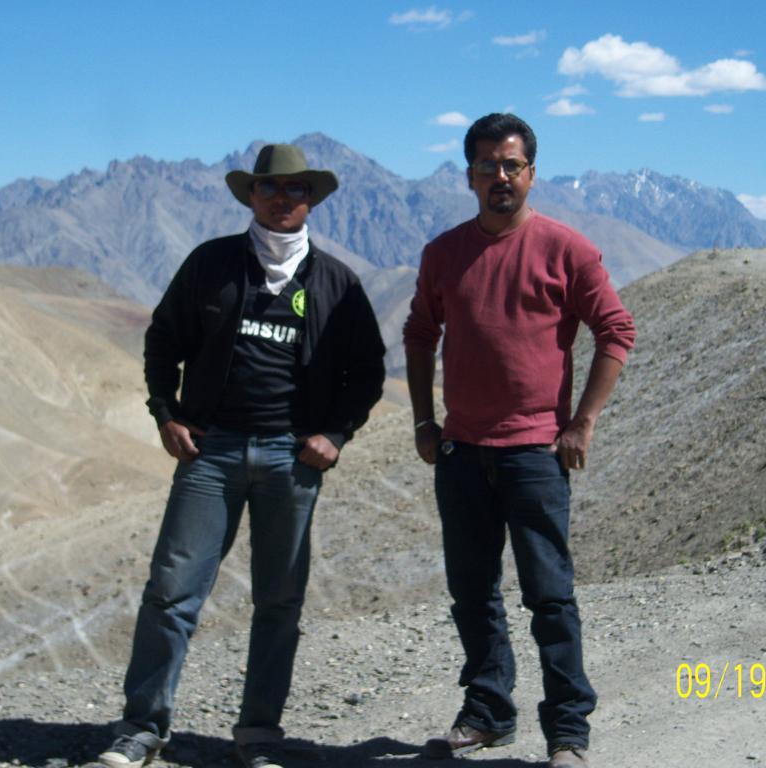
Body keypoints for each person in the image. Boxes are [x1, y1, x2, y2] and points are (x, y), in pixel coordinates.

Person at [99, 143, 386, 768]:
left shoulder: (337, 282)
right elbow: (162, 341)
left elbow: (367, 372)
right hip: (211, 453)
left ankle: (258, 733)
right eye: (271, 188)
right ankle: (142, 728)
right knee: (172, 592)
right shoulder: (212, 265)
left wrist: (335, 435)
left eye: (296, 190)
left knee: (279, 601)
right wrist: (166, 414)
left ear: (312, 199)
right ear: (251, 195)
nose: (283, 199)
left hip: (293, 461)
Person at [403, 113, 636, 768]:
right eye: (487, 166)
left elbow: (616, 330)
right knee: (472, 592)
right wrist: (425, 421)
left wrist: (582, 421)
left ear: (531, 173)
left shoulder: (567, 249)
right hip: (461, 452)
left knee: (549, 595)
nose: (499, 177)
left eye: (511, 165)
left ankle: (568, 732)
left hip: (535, 452)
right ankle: (488, 712)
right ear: (469, 175)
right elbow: (420, 334)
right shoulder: (444, 253)